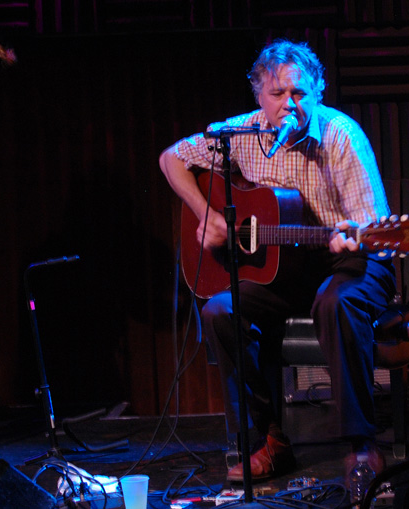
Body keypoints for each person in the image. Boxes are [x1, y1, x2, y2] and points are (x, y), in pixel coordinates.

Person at [159, 38, 395, 481]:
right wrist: (204, 211)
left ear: (318, 92)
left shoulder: (341, 136)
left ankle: (361, 445)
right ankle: (269, 440)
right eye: (278, 94)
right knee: (219, 311)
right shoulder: (239, 135)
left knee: (336, 301)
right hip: (285, 270)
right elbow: (170, 158)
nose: (289, 104)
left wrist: (352, 238)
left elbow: (372, 227)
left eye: (299, 93)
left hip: (352, 261)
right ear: (259, 97)